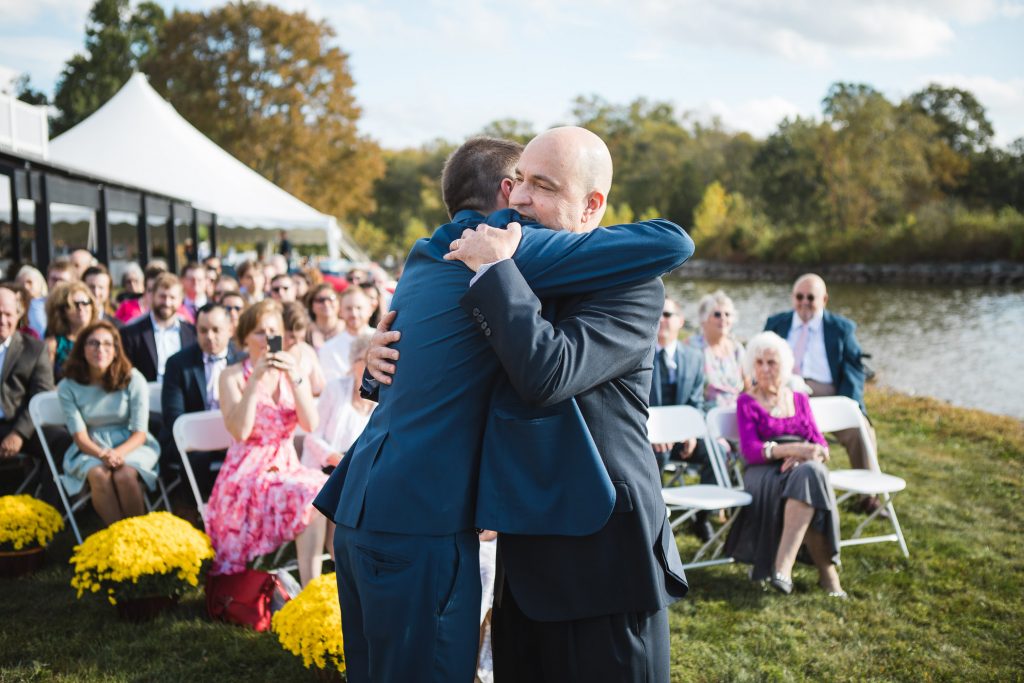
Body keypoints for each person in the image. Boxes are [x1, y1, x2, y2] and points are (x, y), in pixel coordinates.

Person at [317, 132, 692, 683]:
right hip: (523, 553)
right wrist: (379, 366)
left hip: (603, 553)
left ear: (592, 205)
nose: (520, 199)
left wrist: (494, 272)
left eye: (542, 186)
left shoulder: (627, 283)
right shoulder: (496, 255)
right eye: (518, 183)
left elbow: (550, 372)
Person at [206, 300, 327, 587]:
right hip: (247, 472)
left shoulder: (290, 372)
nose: (266, 338)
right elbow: (240, 431)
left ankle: (339, 579)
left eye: (273, 331)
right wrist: (256, 378)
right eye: (259, 332)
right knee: (312, 493)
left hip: (285, 465)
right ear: (245, 337)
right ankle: (312, 587)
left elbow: (311, 424)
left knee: (328, 489)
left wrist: (295, 378)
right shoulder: (232, 375)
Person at [722, 332, 846, 598]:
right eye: (759, 363)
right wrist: (791, 450)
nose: (765, 369)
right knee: (812, 479)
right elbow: (751, 451)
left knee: (810, 474)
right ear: (751, 367)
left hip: (802, 468)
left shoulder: (799, 399)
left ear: (785, 366)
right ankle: (826, 575)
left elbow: (821, 445)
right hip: (763, 471)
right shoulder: (747, 402)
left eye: (772, 363)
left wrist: (809, 455)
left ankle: (783, 568)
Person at [763, 274, 880, 511]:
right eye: (799, 297)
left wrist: (852, 405)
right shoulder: (776, 323)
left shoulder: (841, 329)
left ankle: (869, 497)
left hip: (828, 396)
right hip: (786, 397)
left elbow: (854, 371)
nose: (804, 302)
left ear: (824, 299)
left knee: (861, 431)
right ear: (792, 297)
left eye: (811, 298)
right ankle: (781, 494)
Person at [57, 320, 160, 526]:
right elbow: (80, 436)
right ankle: (116, 536)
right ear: (82, 349)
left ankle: (138, 535)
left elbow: (140, 432)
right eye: (93, 343)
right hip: (90, 447)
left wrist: (118, 453)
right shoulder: (67, 386)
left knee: (125, 476)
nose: (100, 349)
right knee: (99, 475)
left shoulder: (133, 378)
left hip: (132, 442)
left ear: (115, 349)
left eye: (107, 344)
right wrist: (103, 454)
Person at [159, 303, 244, 499]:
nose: (210, 336)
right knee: (197, 457)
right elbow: (173, 415)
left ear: (230, 329)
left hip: (234, 436)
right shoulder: (178, 363)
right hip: (193, 440)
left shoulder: (242, 360)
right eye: (203, 330)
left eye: (216, 330)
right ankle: (198, 510)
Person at [650, 296, 714, 541]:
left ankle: (701, 518)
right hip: (650, 437)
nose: (661, 320)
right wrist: (653, 433)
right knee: (656, 454)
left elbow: (696, 402)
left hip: (682, 436)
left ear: (680, 321)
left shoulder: (694, 358)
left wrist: (691, 432)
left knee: (713, 450)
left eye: (667, 315)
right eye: (657, 313)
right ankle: (654, 517)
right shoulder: (639, 354)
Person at [0, 285, 64, 475]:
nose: (2, 320)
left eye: (8, 314)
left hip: (20, 423)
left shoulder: (34, 349)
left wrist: (19, 433)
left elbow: (40, 397)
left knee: (62, 442)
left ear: (19, 315)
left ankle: (48, 502)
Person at [301, 331, 374, 473]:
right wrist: (339, 461)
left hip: (359, 472)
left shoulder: (383, 399)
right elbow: (313, 437)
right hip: (324, 469)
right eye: (366, 360)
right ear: (354, 362)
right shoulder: (334, 389)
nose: (370, 366)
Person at [119, 273, 197, 382]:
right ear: (152, 296)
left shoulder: (192, 333)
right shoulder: (131, 333)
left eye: (172, 297)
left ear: (180, 300)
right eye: (162, 296)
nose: (167, 302)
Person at [688, 290, 746, 409]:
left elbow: (748, 385)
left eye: (727, 314)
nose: (723, 318)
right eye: (717, 314)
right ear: (704, 319)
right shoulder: (692, 347)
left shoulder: (737, 349)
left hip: (735, 413)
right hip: (705, 414)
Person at [45, 282, 100, 380]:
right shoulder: (53, 344)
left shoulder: (102, 340)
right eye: (74, 305)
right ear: (62, 311)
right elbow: (47, 382)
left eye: (85, 303)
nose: (81, 308)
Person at [317, 288, 373, 382]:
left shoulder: (383, 341)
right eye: (349, 308)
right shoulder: (328, 349)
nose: (354, 314)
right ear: (340, 311)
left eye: (359, 308)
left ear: (369, 310)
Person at [282, 302, 325, 397]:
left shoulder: (307, 351)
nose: (297, 343)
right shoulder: (267, 353)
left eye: (301, 338)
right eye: (292, 337)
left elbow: (318, 389)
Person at [305, 283, 342, 350]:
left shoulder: (349, 328)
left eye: (331, 299)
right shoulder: (305, 332)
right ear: (311, 306)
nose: (326, 304)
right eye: (320, 300)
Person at [15, 265, 48, 338]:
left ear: (40, 283)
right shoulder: (14, 306)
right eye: (21, 283)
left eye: (29, 282)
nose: (25, 286)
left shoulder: (49, 304)